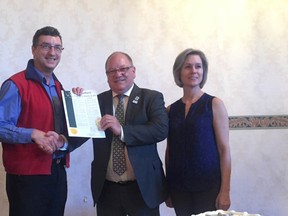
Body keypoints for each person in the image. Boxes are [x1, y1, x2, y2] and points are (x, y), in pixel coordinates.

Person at [0, 26, 85, 216]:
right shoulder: (15, 84)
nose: (52, 52)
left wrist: (79, 102)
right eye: (46, 46)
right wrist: (31, 134)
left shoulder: (58, 86)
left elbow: (64, 129)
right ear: (34, 49)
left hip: (56, 173)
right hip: (26, 178)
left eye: (57, 48)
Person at [73, 51, 169, 216]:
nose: (118, 74)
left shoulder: (151, 97)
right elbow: (81, 132)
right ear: (107, 75)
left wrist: (122, 130)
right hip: (107, 188)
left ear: (134, 71)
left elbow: (160, 130)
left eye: (123, 68)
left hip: (142, 188)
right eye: (112, 71)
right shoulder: (96, 101)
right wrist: (77, 102)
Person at [165, 48, 231, 215]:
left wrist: (225, 191)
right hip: (178, 187)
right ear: (179, 72)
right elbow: (169, 151)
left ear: (203, 71)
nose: (193, 71)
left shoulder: (214, 104)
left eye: (198, 66)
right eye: (187, 66)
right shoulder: (170, 110)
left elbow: (224, 150)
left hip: (208, 186)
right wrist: (168, 188)